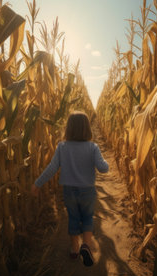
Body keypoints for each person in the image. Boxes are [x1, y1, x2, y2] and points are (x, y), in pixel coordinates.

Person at [31, 111, 109, 267]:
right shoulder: (93, 147)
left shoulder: (62, 147)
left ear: (68, 129)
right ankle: (86, 245)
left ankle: (74, 249)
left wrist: (38, 183)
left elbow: (52, 168)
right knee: (87, 217)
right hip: (87, 190)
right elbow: (103, 168)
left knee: (73, 217)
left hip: (69, 190)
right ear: (87, 129)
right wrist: (104, 161)